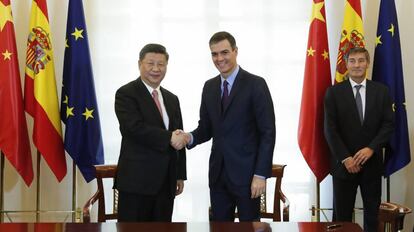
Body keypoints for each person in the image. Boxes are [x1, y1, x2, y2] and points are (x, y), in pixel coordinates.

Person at [183, 31, 276, 221]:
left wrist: (260, 174)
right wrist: (189, 137)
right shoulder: (209, 87)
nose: (219, 58)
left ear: (235, 51)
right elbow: (206, 128)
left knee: (248, 228)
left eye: (224, 52)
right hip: (218, 176)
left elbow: (268, 133)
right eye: (214, 54)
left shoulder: (256, 84)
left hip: (249, 176)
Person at [114, 43, 187, 222]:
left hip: (166, 183)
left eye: (161, 64)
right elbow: (133, 129)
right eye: (150, 63)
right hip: (136, 182)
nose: (156, 69)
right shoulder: (126, 93)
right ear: (140, 64)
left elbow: (179, 134)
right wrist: (169, 137)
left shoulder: (171, 98)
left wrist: (179, 174)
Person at [324, 47, 394, 232]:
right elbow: (330, 130)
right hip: (343, 166)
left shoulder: (382, 91)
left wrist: (371, 148)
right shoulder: (333, 93)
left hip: (372, 164)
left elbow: (388, 125)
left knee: (372, 215)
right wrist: (346, 158)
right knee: (342, 217)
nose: (357, 65)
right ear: (346, 64)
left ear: (368, 63)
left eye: (361, 60)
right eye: (352, 61)